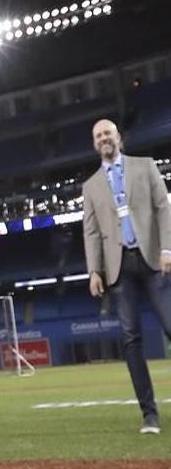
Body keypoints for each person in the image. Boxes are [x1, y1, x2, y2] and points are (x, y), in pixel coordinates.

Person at [83, 118, 171, 434]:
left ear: (118, 137)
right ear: (94, 144)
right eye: (98, 136)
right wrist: (94, 270)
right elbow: (91, 232)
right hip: (119, 271)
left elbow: (163, 207)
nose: (104, 138)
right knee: (131, 340)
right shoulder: (90, 186)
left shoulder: (144, 166)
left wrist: (168, 249)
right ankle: (150, 415)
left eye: (107, 132)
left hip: (153, 261)